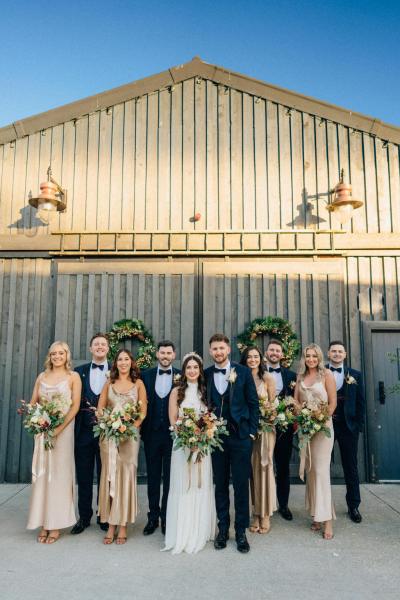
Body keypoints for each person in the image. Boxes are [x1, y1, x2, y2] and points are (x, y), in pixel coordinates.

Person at [204, 333, 259, 553]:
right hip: (215, 438)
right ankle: (223, 529)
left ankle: (241, 532)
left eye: (221, 348)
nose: (218, 352)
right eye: (214, 349)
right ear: (210, 352)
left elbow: (253, 404)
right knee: (220, 485)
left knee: (240, 485)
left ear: (228, 350)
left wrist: (252, 433)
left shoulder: (243, 372)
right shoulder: (206, 374)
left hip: (240, 436)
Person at [27, 341, 81, 543]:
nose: (57, 357)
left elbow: (74, 406)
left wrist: (58, 429)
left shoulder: (73, 377)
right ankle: (43, 522)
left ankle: (56, 523)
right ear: (49, 356)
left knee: (59, 476)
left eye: (61, 353)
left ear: (67, 355)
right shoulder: (42, 376)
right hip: (43, 432)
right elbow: (33, 403)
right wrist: (37, 421)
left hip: (63, 432)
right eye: (53, 354)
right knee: (42, 475)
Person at [163, 353, 216, 554]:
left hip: (203, 446)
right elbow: (173, 421)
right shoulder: (176, 392)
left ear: (200, 370)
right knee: (183, 485)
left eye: (195, 367)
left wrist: (201, 436)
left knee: (199, 484)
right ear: (184, 371)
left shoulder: (205, 391)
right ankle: (182, 533)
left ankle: (200, 530)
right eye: (188, 368)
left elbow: (210, 417)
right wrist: (187, 438)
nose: (192, 370)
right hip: (182, 447)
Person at [97, 349, 147, 544]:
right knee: (110, 477)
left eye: (127, 359)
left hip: (129, 437)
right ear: (115, 363)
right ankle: (110, 524)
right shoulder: (109, 383)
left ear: (131, 362)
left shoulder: (139, 384)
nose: (123, 362)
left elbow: (143, 411)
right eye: (120, 359)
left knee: (126, 477)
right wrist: (108, 423)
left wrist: (128, 429)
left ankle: (123, 524)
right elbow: (100, 407)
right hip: (108, 437)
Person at [294, 343, 337, 540]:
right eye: (307, 356)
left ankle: (327, 519)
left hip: (323, 429)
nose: (311, 359)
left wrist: (319, 419)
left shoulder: (326, 375)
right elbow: (296, 402)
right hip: (306, 429)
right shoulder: (300, 377)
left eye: (314, 356)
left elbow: (333, 403)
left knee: (321, 472)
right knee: (311, 472)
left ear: (319, 357)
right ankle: (316, 515)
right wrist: (302, 416)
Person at [72, 333, 111, 534]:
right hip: (83, 432)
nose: (100, 347)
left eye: (103, 344)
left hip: (108, 433)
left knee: (106, 476)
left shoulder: (116, 371)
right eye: (96, 344)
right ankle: (84, 517)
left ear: (108, 348)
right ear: (90, 348)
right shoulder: (78, 373)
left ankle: (103, 516)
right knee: (84, 476)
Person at [141, 340, 180, 535]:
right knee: (153, 477)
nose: (165, 356)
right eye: (162, 353)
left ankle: (166, 517)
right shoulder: (145, 376)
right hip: (151, 435)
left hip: (174, 436)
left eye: (169, 353)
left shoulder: (181, 376)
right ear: (157, 354)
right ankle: (152, 517)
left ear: (173, 356)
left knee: (171, 478)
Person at [327, 340, 365, 523]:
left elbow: (361, 402)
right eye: (333, 351)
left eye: (339, 351)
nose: (336, 354)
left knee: (351, 466)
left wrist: (357, 425)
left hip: (348, 427)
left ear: (345, 354)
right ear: (328, 354)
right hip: (325, 426)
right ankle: (324, 506)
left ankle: (353, 505)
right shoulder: (320, 372)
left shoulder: (355, 375)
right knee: (322, 467)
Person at [240, 346, 276, 534]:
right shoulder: (240, 377)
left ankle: (266, 514)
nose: (253, 359)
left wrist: (267, 416)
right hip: (246, 431)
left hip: (265, 430)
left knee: (263, 469)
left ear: (261, 359)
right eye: (249, 357)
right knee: (250, 472)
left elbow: (273, 406)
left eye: (256, 356)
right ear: (244, 359)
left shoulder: (267, 378)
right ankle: (255, 513)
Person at [264, 339, 296, 521]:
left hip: (284, 428)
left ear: (282, 355)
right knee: (263, 465)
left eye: (277, 350)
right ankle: (264, 503)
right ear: (266, 353)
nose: (274, 353)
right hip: (264, 427)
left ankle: (283, 504)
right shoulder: (257, 373)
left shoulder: (291, 376)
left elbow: (296, 399)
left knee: (283, 467)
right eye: (271, 350)